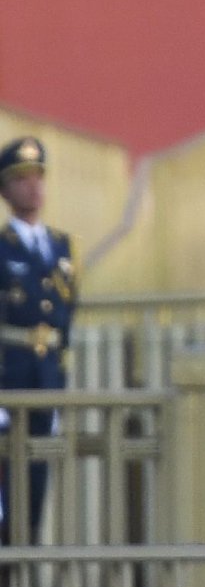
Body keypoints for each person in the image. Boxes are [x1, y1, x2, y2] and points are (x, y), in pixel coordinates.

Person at [0, 137, 71, 546]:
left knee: (38, 481)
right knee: (7, 487)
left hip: (46, 377)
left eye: (37, 177)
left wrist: (61, 377)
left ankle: (25, 578)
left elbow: (66, 321)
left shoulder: (61, 247)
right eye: (21, 179)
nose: (32, 187)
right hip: (10, 376)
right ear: (6, 190)